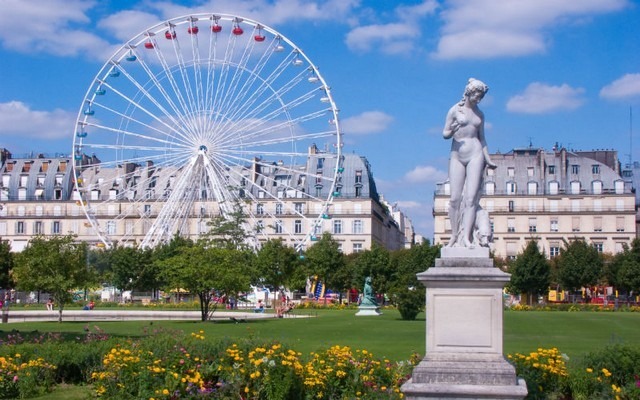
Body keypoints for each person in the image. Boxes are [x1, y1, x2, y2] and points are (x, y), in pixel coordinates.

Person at [443, 78, 496, 248]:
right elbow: (444, 133)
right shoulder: (454, 110)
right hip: (457, 154)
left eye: (481, 97)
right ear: (469, 93)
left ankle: (466, 237)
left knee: (471, 198)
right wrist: (452, 129)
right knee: (454, 199)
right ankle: (453, 236)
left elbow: (482, 138)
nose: (478, 99)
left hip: (476, 153)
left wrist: (488, 158)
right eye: (477, 96)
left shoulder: (480, 114)